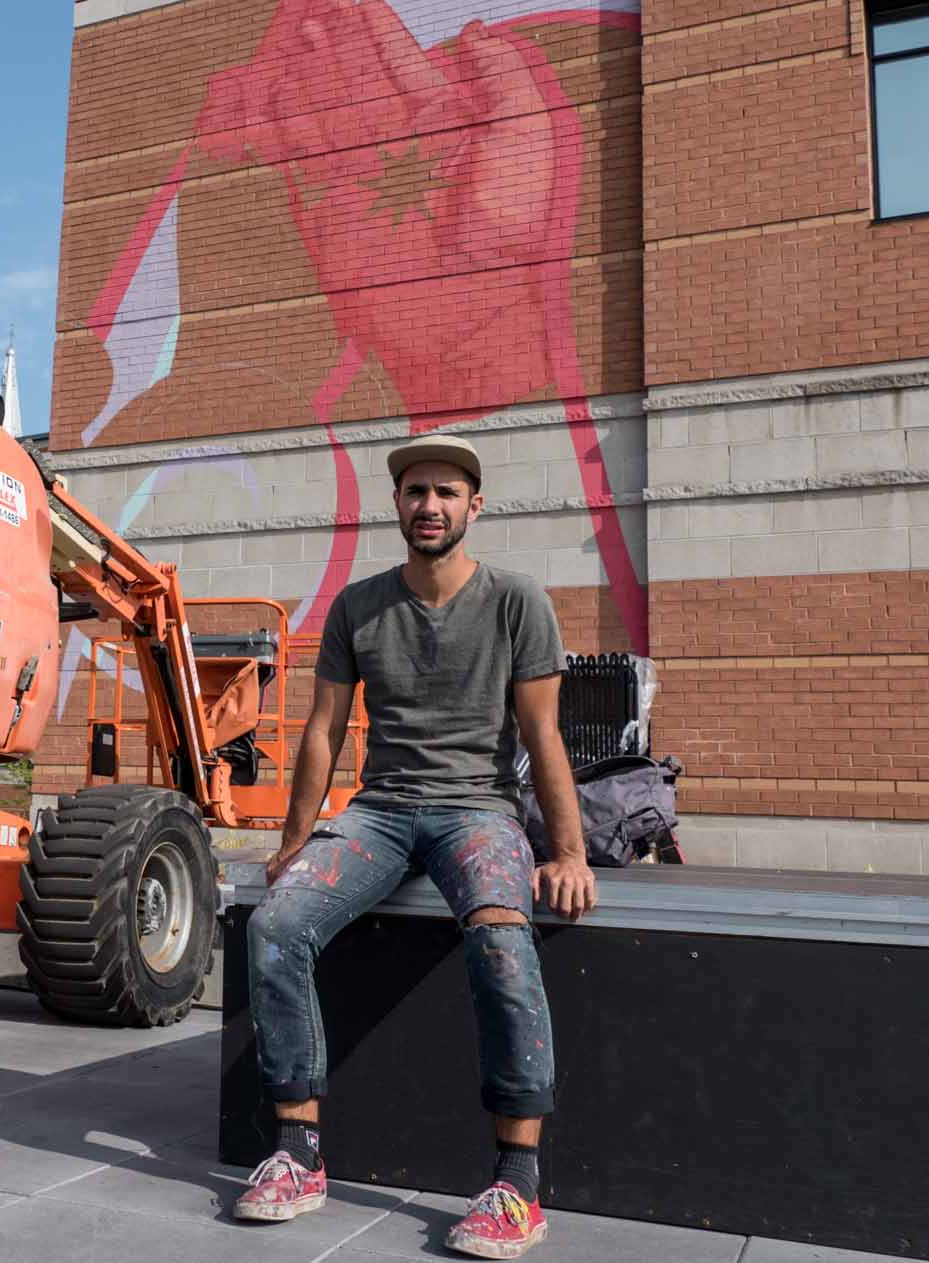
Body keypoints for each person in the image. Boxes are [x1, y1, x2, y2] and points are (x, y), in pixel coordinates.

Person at [232, 433, 596, 1259]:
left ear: (474, 506)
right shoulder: (359, 606)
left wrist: (567, 852)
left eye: (446, 492)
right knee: (276, 925)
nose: (429, 505)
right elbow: (323, 731)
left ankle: (516, 1181)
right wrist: (296, 839)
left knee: (502, 936)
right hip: (381, 811)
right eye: (415, 492)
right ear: (396, 505)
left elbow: (542, 734)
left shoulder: (517, 600)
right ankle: (297, 1152)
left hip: (478, 812)